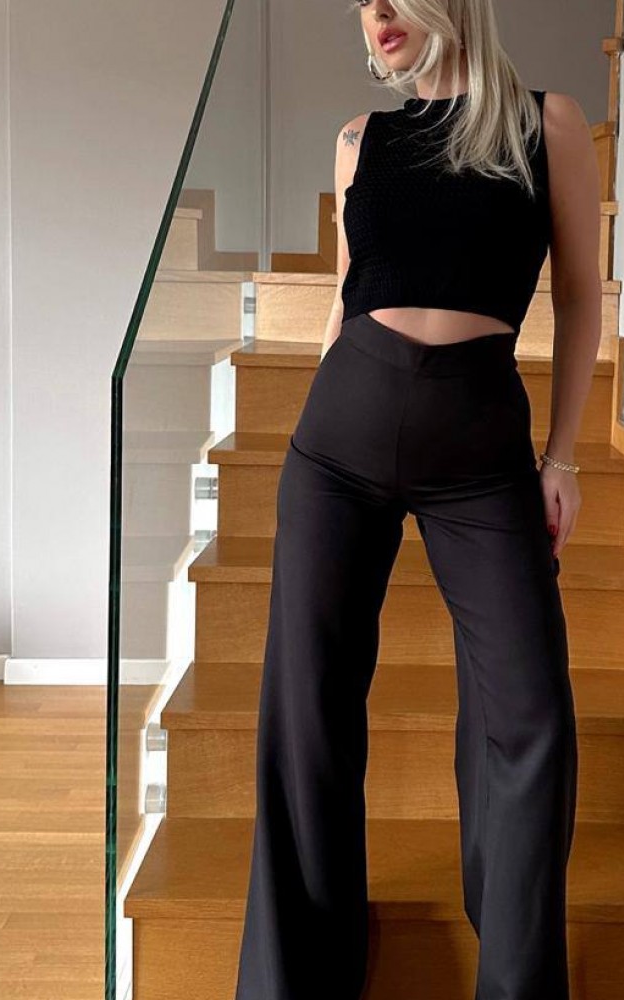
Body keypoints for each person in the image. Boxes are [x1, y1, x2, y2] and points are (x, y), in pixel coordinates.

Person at [234, 1, 602, 998]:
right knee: (307, 708)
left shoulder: (547, 122)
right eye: (364, 0)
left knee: (530, 713)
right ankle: (300, 977)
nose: (378, 12)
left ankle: (515, 978)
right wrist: (308, 423)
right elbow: (346, 296)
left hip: (481, 450)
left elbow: (579, 294)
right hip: (339, 442)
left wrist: (563, 457)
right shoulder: (361, 139)